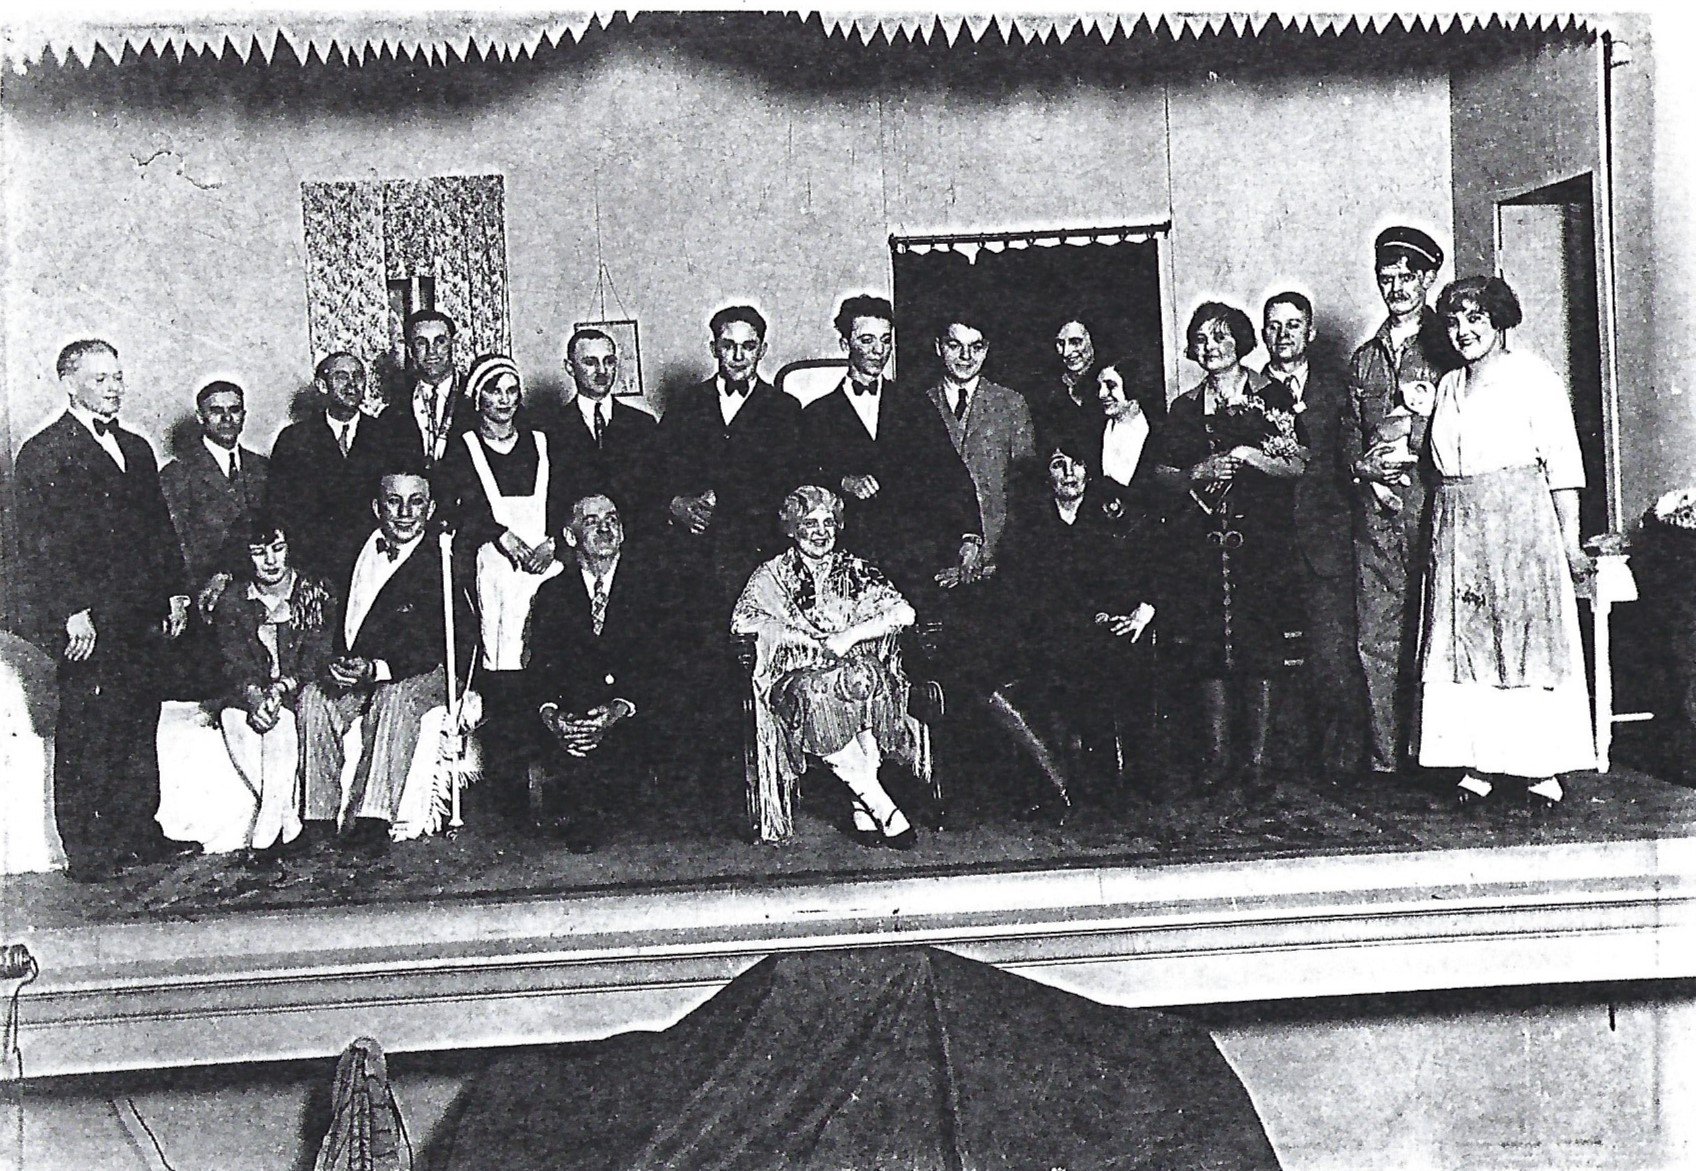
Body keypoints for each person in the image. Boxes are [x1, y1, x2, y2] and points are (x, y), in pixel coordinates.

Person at [15, 339, 195, 881]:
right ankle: (88, 849)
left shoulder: (136, 448)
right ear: (68, 383)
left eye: (117, 376)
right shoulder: (43, 452)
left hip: (140, 614)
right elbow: (40, 545)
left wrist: (175, 592)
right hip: (89, 619)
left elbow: (158, 530)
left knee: (139, 718)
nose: (114, 387)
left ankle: (139, 831)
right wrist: (70, 611)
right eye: (99, 379)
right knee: (89, 725)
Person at [1419, 276, 1595, 805]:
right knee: (1465, 645)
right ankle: (1479, 762)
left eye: (1475, 319)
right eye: (1453, 321)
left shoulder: (1531, 375)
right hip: (1458, 529)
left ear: (1498, 321)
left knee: (1522, 643)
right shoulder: (1449, 385)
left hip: (1519, 526)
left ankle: (1538, 767)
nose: (1463, 331)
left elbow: (1563, 465)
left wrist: (1570, 542)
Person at [1163, 302, 1306, 796]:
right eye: (1201, 339)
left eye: (1221, 336)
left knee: (1259, 647)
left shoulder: (1272, 395)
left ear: (1241, 340)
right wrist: (1194, 475)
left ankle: (1259, 763)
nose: (1211, 347)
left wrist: (1248, 457)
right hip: (1201, 549)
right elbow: (1155, 474)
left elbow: (1299, 465)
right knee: (1208, 650)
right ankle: (1217, 761)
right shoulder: (1183, 408)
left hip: (1260, 547)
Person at [295, 468, 474, 858]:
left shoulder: (444, 559)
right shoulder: (349, 549)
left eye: (416, 502)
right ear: (377, 507)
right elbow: (327, 619)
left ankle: (373, 821)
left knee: (393, 698)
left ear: (430, 510)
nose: (405, 512)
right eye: (394, 501)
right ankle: (319, 822)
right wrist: (331, 664)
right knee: (312, 698)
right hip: (358, 670)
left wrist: (377, 668)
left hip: (426, 670)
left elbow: (447, 639)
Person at [731, 486, 919, 848]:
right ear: (791, 528)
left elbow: (904, 612)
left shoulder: (855, 568)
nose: (820, 532)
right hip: (794, 675)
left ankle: (861, 805)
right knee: (817, 694)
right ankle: (882, 806)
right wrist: (798, 637)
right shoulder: (773, 574)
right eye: (809, 523)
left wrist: (849, 636)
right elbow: (742, 621)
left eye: (828, 523)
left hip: (851, 670)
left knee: (869, 679)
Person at [998, 427, 1162, 817]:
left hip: (1109, 628)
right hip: (1051, 633)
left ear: (1089, 471)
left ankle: (1111, 782)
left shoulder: (1112, 513)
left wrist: (1143, 610)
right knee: (1042, 672)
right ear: (1047, 475)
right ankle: (1056, 782)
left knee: (1104, 664)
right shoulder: (1031, 523)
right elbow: (1019, 588)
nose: (1069, 473)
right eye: (1059, 465)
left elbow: (1151, 564)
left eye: (1077, 464)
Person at [1345, 226, 1459, 782]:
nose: (1395, 288)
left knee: (1438, 628)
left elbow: (1459, 421)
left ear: (1427, 279)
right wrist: (1361, 467)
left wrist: (1410, 452)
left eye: (1406, 278)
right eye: (1386, 278)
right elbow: (1347, 434)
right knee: (1376, 636)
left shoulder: (1448, 348)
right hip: (1374, 512)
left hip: (1430, 505)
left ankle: (1435, 755)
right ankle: (1387, 757)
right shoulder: (1364, 359)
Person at [437, 354, 569, 823]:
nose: (505, 401)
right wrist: (502, 536)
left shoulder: (543, 442)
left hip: (544, 564)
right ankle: (512, 791)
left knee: (551, 660)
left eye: (512, 391)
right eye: (495, 392)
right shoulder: (464, 448)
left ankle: (556, 783)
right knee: (505, 667)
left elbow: (564, 498)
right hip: (496, 567)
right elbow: (459, 509)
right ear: (479, 399)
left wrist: (552, 542)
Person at [802, 295, 984, 605]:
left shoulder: (916, 406)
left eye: (885, 341)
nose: (878, 351)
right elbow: (801, 478)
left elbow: (950, 472)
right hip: (848, 562)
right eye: (867, 340)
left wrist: (970, 537)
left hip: (915, 561)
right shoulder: (817, 415)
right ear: (845, 344)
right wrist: (843, 482)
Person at [1261, 293, 1368, 783]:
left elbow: (1348, 462)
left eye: (1293, 325)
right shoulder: (1247, 391)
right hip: (1264, 546)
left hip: (1324, 542)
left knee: (1331, 657)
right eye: (1274, 325)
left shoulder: (1337, 389)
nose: (1283, 334)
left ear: (1311, 334)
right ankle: (1282, 765)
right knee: (1272, 661)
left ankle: (1341, 765)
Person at [527, 494, 671, 852]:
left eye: (612, 520)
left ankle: (594, 803)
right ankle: (583, 805)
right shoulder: (552, 595)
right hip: (577, 715)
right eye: (591, 521)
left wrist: (619, 708)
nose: (605, 528)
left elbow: (666, 665)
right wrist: (553, 716)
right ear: (570, 536)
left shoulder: (656, 588)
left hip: (633, 712)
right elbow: (542, 667)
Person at [211, 513, 339, 867]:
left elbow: (317, 657)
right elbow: (233, 663)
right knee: (229, 716)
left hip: (300, 691)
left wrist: (280, 689)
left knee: (280, 721)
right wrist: (255, 696)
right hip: (252, 695)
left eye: (278, 549)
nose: (270, 560)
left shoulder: (314, 591)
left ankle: (264, 836)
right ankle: (289, 823)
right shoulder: (234, 600)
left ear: (290, 548)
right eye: (258, 552)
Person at [923, 311, 1037, 566]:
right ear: (938, 348)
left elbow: (1027, 494)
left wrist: (1007, 555)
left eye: (976, 347)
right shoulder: (918, 404)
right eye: (955, 346)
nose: (966, 357)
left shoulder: (1012, 405)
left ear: (987, 350)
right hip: (935, 558)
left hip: (997, 559)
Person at [269, 351, 382, 581]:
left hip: (373, 564)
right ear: (322, 385)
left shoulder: (387, 434)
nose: (352, 384)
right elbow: (278, 507)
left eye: (358, 376)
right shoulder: (294, 439)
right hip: (314, 568)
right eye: (341, 377)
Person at [553, 326, 659, 532]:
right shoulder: (549, 428)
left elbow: (655, 492)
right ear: (570, 367)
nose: (602, 371)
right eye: (590, 362)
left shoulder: (642, 424)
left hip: (636, 546)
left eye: (609, 362)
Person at [368, 309, 471, 470]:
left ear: (453, 345)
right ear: (410, 351)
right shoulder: (393, 411)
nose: (432, 351)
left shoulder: (477, 395)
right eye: (422, 342)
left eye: (440, 341)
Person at [1027, 317, 1102, 454]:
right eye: (1060, 343)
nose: (1066, 352)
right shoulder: (1047, 391)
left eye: (1075, 342)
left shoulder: (1108, 386)